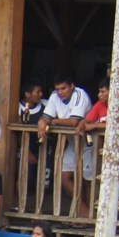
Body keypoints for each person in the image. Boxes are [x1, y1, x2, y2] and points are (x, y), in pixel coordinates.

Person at [38, 76, 94, 211]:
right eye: (57, 89)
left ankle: (94, 214)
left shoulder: (80, 95)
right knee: (64, 177)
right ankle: (84, 212)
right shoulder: (54, 96)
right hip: (72, 143)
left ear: (72, 86)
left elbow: (74, 122)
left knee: (88, 181)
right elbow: (46, 117)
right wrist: (41, 122)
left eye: (64, 88)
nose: (60, 92)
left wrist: (54, 121)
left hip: (89, 143)